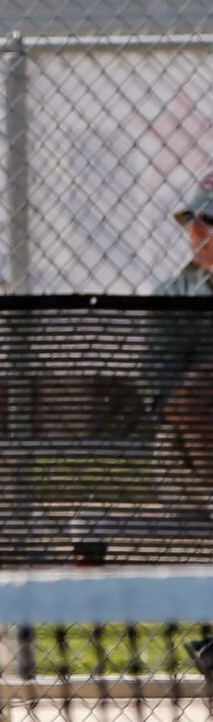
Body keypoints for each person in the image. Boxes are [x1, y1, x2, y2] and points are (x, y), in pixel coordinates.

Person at [150, 175, 213, 679]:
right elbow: (169, 401)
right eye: (191, 220)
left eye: (207, 220)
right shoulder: (175, 294)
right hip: (191, 455)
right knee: (202, 386)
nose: (196, 230)